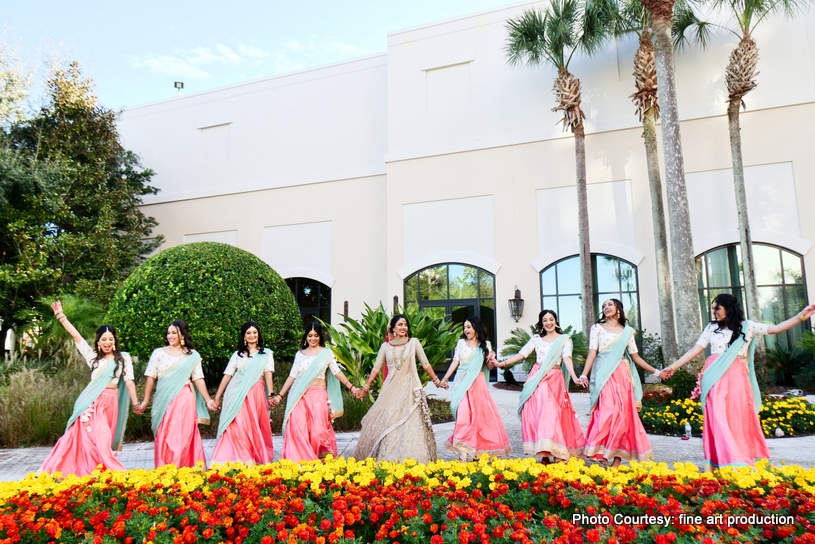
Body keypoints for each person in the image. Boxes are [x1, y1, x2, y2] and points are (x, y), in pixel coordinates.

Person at [664, 294, 815, 472]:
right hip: (714, 375)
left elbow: (774, 329)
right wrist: (673, 367)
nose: (714, 312)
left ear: (728, 308)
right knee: (717, 416)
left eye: (717, 308)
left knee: (737, 417)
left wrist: (801, 316)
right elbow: (696, 350)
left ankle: (739, 460)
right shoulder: (712, 328)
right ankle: (725, 460)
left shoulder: (748, 326)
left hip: (736, 375)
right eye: (713, 309)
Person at [40, 300, 140, 477]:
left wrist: (135, 403)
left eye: (110, 339)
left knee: (103, 439)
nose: (107, 342)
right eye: (103, 339)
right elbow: (77, 337)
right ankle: (97, 471)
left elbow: (130, 381)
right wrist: (61, 317)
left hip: (111, 402)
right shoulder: (93, 358)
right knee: (94, 437)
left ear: (115, 341)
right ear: (98, 342)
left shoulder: (123, 360)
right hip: (92, 403)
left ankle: (98, 472)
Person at [495, 309, 586, 463]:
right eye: (545, 320)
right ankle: (545, 452)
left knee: (555, 414)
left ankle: (554, 451)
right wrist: (501, 363)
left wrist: (576, 378)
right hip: (538, 378)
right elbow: (521, 354)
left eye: (551, 319)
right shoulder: (536, 339)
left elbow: (567, 359)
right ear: (541, 324)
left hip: (556, 379)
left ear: (556, 321)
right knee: (544, 412)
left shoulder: (564, 339)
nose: (548, 322)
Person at [353, 314, 446, 463]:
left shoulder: (414, 343)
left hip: (410, 388)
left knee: (412, 421)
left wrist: (437, 382)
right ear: (393, 328)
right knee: (389, 420)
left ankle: (413, 458)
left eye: (405, 325)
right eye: (400, 325)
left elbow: (425, 364)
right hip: (390, 389)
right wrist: (365, 387)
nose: (404, 327)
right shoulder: (385, 347)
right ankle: (388, 458)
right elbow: (376, 368)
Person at [580, 299, 660, 467]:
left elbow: (636, 357)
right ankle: (600, 450)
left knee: (623, 413)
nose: (605, 307)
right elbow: (592, 353)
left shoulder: (627, 332)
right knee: (607, 411)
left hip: (622, 374)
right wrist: (584, 375)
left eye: (609, 304)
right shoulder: (597, 328)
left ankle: (616, 459)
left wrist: (657, 372)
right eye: (603, 306)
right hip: (603, 373)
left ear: (618, 309)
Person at [270, 322, 359, 462]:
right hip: (299, 396)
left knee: (318, 431)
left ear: (320, 337)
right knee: (298, 427)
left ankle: (318, 459)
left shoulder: (326, 353)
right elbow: (292, 376)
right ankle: (300, 461)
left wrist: (352, 388)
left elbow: (337, 372)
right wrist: (280, 396)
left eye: (316, 336)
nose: (313, 339)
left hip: (318, 396)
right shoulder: (299, 354)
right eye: (310, 335)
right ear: (305, 337)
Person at [135, 320, 215, 468]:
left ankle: (186, 470)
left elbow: (198, 378)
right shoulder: (158, 353)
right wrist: (145, 400)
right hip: (163, 400)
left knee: (184, 434)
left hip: (184, 399)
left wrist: (208, 400)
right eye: (168, 333)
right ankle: (166, 470)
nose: (170, 336)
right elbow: (150, 377)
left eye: (174, 333)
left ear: (182, 335)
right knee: (165, 432)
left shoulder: (192, 355)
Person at [440, 316, 511, 461]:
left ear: (476, 329)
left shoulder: (485, 346)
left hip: (478, 384)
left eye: (468, 327)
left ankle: (471, 452)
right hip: (462, 382)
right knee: (463, 415)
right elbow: (456, 361)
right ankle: (464, 450)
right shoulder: (461, 343)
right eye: (464, 327)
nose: (466, 330)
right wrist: (446, 378)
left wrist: (491, 357)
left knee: (478, 418)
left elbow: (489, 367)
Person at [210, 322, 275, 465]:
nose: (252, 335)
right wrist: (217, 397)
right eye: (249, 333)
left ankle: (252, 456)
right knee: (237, 424)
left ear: (258, 334)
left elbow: (268, 374)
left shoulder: (266, 354)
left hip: (256, 393)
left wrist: (271, 394)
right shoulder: (238, 355)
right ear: (244, 336)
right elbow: (227, 375)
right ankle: (235, 458)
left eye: (255, 332)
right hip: (235, 393)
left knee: (252, 424)